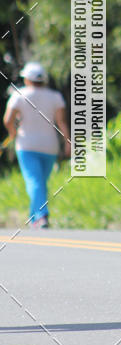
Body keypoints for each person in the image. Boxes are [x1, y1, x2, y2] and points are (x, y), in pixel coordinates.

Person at [3, 61, 71, 228]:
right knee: (40, 182)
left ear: (27, 79)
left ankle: (41, 216)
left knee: (35, 182)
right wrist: (68, 142)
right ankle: (35, 219)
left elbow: (7, 120)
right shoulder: (55, 97)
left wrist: (12, 132)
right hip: (50, 146)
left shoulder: (19, 95)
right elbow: (61, 122)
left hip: (26, 146)